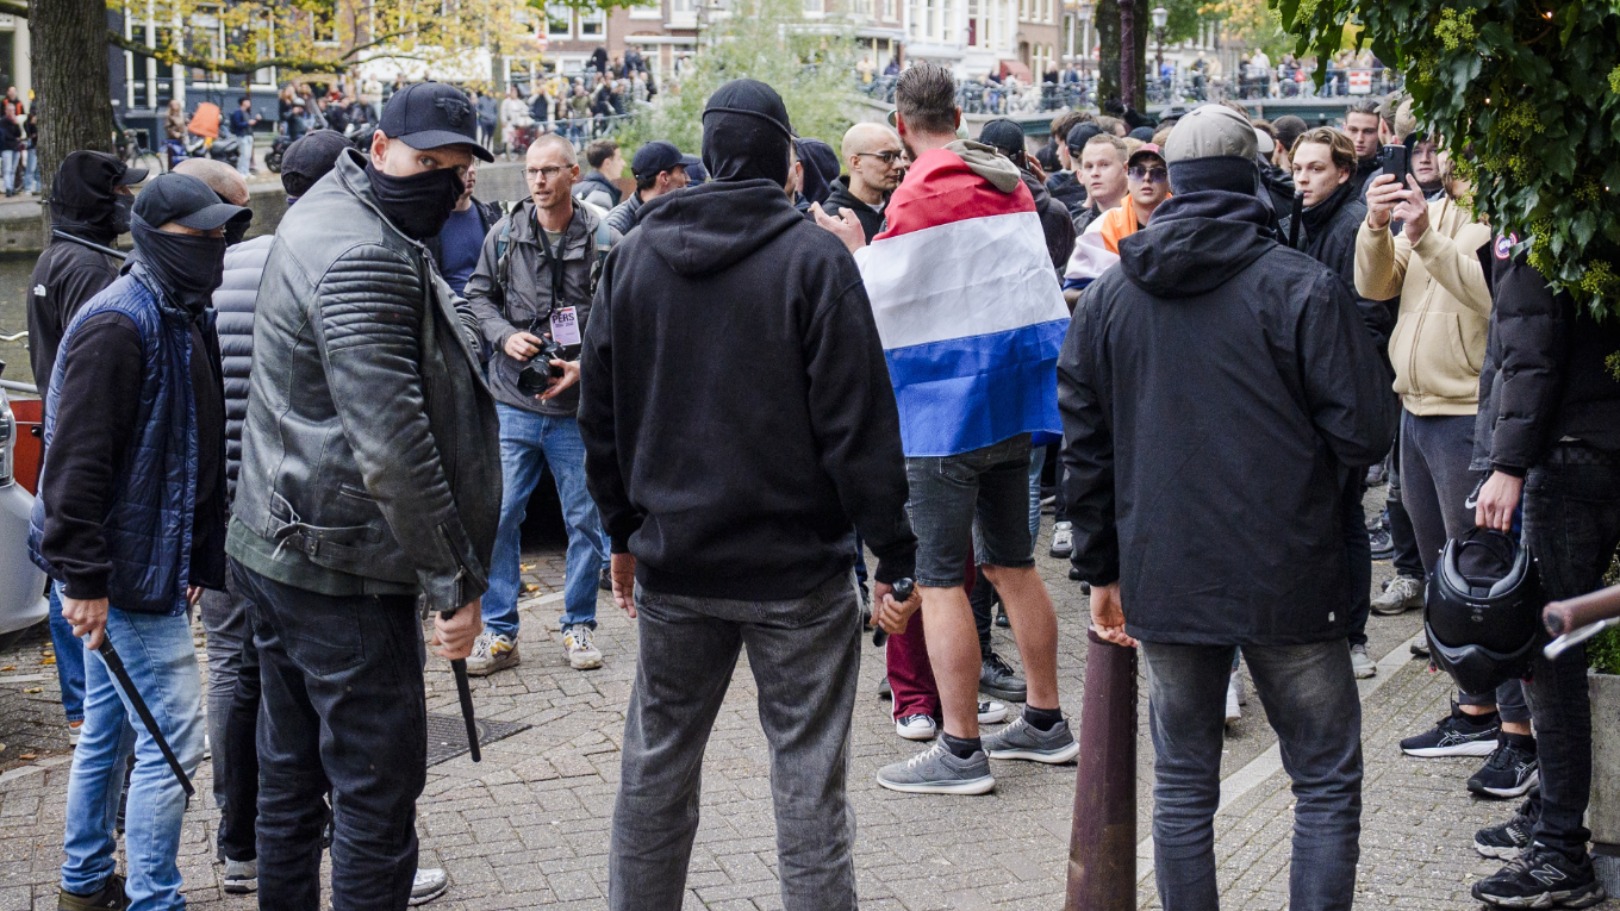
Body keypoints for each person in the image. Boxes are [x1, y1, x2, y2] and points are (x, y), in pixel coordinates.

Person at [580, 77, 917, 911]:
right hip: (796, 572)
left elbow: (602, 413)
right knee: (807, 780)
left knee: (655, 769)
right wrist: (895, 554)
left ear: (706, 159)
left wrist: (622, 531)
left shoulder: (633, 259)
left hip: (678, 564)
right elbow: (859, 424)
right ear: (787, 163)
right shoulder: (814, 260)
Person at [1059, 103, 1397, 911]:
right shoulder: (1301, 285)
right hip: (1291, 568)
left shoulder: (1111, 299)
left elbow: (1086, 444)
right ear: (1255, 178)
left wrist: (1102, 566)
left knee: (1182, 785)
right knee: (1322, 778)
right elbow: (1365, 429)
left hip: (1167, 571)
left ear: (1172, 182)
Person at [227, 81, 497, 911]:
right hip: (342, 570)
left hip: (276, 544)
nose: (443, 188)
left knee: (288, 779)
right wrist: (454, 582)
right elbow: (393, 444)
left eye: (457, 174)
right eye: (426, 164)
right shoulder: (365, 252)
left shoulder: (319, 209)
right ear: (379, 150)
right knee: (376, 805)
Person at [816, 61, 1076, 795]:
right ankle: (1046, 720)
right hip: (1013, 404)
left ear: (902, 125)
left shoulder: (920, 189)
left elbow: (892, 298)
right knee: (1012, 563)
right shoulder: (1011, 182)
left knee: (940, 578)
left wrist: (853, 248)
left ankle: (961, 749)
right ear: (958, 118)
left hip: (942, 413)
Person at [30, 172, 249, 911]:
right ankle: (157, 897)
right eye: (204, 235)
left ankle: (85, 883)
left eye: (225, 234)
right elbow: (74, 464)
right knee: (172, 740)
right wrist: (84, 580)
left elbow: (185, 448)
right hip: (121, 571)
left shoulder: (182, 310)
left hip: (144, 557)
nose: (218, 247)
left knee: (112, 728)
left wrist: (193, 553)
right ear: (158, 238)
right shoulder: (120, 324)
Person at [1355, 150, 1531, 790]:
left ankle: (1519, 731)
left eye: (1438, 141)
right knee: (1444, 577)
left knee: (1489, 582)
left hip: (1469, 414)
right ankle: (1476, 708)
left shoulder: (1499, 210)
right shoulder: (1435, 207)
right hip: (1417, 408)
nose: (1424, 153)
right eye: (1413, 142)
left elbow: (1491, 298)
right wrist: (1376, 229)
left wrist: (1426, 236)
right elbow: (1375, 287)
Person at [1467, 242, 1620, 909]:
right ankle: (1551, 814)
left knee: (1551, 651)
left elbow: (1525, 349)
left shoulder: (1542, 208)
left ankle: (1560, 846)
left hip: (1573, 453)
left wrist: (1505, 462)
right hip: (1594, 439)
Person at [462, 134, 616, 675]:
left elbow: (625, 312)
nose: (539, 181)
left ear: (574, 174)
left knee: (584, 520)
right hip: (513, 399)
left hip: (575, 406)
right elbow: (477, 296)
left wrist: (586, 365)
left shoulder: (603, 236)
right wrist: (504, 335)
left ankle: (578, 625)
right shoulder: (504, 235)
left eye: (550, 171)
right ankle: (501, 632)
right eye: (532, 172)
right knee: (501, 516)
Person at [25, 151, 146, 750]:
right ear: (104, 200)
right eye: (123, 188)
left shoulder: (54, 257)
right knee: (77, 567)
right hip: (83, 438)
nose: (131, 198)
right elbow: (100, 366)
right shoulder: (97, 269)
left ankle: (80, 703)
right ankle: (88, 704)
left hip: (56, 432)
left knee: (59, 568)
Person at [1283, 127, 1397, 681]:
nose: (1302, 178)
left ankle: (1352, 636)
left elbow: (1368, 323)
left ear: (1344, 173)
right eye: (1298, 167)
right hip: (1313, 396)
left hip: (1343, 397)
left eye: (1315, 169)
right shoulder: (1302, 219)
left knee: (1346, 515)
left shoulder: (1351, 226)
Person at [427, 158, 500, 297]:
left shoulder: (491, 217)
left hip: (488, 312)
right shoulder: (428, 223)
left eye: (474, 163)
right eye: (463, 166)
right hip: (449, 313)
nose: (471, 170)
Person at [822, 122, 904, 242]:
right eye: (887, 157)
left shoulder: (901, 208)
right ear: (856, 162)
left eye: (899, 156)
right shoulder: (832, 219)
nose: (899, 165)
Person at [604, 140, 696, 236]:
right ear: (664, 177)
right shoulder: (616, 230)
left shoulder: (670, 215)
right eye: (682, 172)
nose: (688, 179)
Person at [1342, 99, 1383, 195]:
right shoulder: (1331, 169)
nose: (1360, 139)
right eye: (1353, 130)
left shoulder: (1387, 172)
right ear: (1344, 129)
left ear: (1381, 131)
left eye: (1368, 131)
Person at [578, 139, 625, 210]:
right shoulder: (601, 195)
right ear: (607, 163)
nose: (623, 163)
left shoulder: (576, 188)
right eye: (619, 158)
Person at [228, 96, 261, 177]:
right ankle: (240, 172)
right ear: (243, 102)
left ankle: (246, 171)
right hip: (242, 136)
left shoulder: (247, 112)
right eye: (247, 101)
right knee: (243, 154)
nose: (249, 103)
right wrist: (248, 123)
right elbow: (237, 124)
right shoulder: (238, 112)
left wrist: (255, 121)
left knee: (248, 155)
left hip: (248, 135)